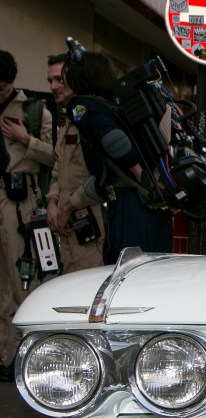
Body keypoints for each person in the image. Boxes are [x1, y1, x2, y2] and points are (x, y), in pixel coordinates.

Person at [61, 51, 172, 264]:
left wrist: (140, 176)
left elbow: (114, 140)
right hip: (155, 207)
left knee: (126, 277)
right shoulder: (117, 105)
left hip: (130, 204)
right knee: (155, 275)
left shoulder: (81, 105)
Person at [0, 49, 53, 381]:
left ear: (12, 83)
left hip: (18, 202)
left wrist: (26, 139)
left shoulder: (34, 110)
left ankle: (15, 357)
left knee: (20, 282)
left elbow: (55, 156)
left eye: (2, 87)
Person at [44, 53, 104, 273]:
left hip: (92, 224)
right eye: (50, 80)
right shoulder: (69, 120)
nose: (54, 86)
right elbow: (59, 168)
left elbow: (102, 177)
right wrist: (51, 201)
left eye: (60, 79)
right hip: (65, 226)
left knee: (88, 293)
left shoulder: (91, 119)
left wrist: (69, 207)